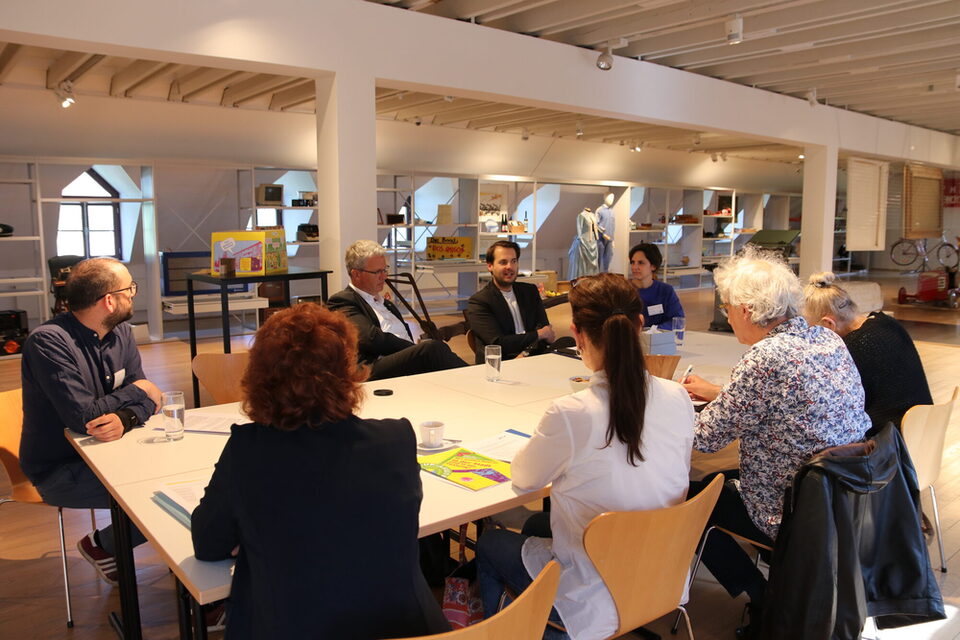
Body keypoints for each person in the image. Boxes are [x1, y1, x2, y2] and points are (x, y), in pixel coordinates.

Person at [191, 304, 448, 639]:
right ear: (348, 373)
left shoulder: (248, 451)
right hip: (403, 627)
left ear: (260, 376)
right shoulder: (396, 439)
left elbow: (208, 543)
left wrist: (252, 533)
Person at [477, 273, 695, 640]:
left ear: (576, 333)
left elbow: (525, 477)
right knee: (534, 527)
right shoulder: (678, 397)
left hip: (593, 589)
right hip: (661, 573)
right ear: (640, 324)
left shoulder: (572, 412)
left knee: (489, 543)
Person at [681, 248, 870, 630]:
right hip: (844, 495)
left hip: (792, 509)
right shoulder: (826, 339)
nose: (727, 314)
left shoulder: (765, 357)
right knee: (721, 480)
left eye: (728, 307)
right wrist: (724, 395)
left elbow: (704, 438)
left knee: (690, 497)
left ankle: (761, 594)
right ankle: (781, 575)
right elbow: (786, 402)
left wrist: (662, 409)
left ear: (747, 310)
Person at [20, 257, 160, 586]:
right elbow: (84, 418)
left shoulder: (122, 333)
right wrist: (138, 391)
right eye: (130, 289)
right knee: (159, 495)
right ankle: (104, 546)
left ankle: (193, 586)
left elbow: (149, 400)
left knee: (192, 484)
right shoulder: (48, 342)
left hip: (116, 451)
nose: (133, 296)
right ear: (109, 300)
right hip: (62, 469)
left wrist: (126, 416)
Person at [803, 271, 932, 436]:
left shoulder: (851, 349)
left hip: (888, 447)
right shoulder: (887, 323)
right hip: (925, 431)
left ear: (828, 325)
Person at [327, 240, 467, 379]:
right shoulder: (343, 301)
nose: (384, 276)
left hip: (401, 360)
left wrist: (415, 351)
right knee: (432, 349)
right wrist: (414, 350)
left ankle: (469, 379)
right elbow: (372, 339)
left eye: (385, 270)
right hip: (371, 368)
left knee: (437, 354)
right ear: (356, 274)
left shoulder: (387, 304)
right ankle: (472, 377)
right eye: (377, 272)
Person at [466, 240, 559, 364]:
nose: (510, 266)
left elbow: (545, 330)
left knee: (568, 343)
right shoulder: (479, 301)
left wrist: (526, 352)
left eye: (513, 261)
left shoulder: (530, 291)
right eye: (503, 262)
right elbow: (498, 343)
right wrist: (539, 334)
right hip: (503, 363)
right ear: (490, 266)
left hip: (532, 355)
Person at [627, 243, 683, 329]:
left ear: (653, 266)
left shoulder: (666, 290)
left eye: (640, 263)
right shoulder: (623, 290)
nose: (635, 267)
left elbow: (677, 321)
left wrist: (653, 331)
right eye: (632, 262)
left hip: (658, 338)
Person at [567, 207, 600, 279]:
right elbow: (579, 229)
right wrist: (581, 241)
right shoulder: (581, 215)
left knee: (592, 267)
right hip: (583, 243)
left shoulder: (593, 215)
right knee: (583, 266)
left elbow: (595, 227)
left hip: (593, 242)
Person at [595, 193, 616, 273]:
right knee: (599, 258)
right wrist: (603, 233)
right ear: (605, 198)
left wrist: (613, 240)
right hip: (601, 239)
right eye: (610, 198)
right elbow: (595, 225)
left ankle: (605, 276)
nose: (612, 200)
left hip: (610, 239)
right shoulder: (599, 210)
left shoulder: (612, 211)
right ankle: (597, 276)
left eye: (613, 198)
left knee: (608, 257)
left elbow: (613, 226)